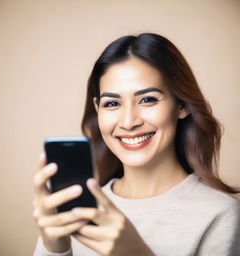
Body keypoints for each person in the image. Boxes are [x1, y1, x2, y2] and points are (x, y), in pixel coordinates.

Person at [33, 33, 240, 256]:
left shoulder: (222, 215)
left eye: (148, 99)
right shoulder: (76, 212)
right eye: (112, 103)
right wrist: (54, 249)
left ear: (181, 105)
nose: (129, 122)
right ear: (97, 109)